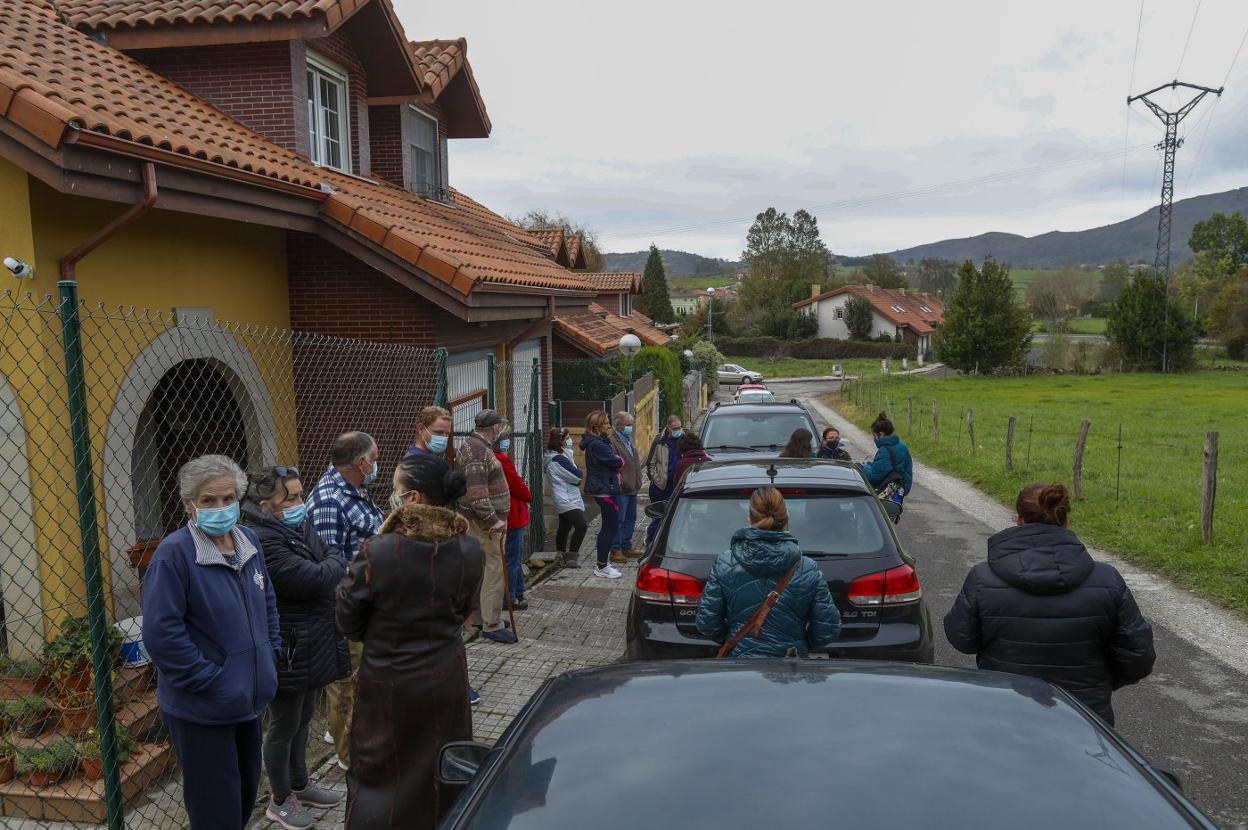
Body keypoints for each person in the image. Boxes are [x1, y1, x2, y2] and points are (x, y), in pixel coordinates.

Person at [337, 455, 484, 830]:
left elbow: (348, 620)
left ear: (414, 498)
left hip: (388, 682)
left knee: (378, 769)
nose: (393, 497)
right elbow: (465, 610)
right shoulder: (470, 550)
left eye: (397, 491)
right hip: (447, 678)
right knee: (443, 764)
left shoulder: (379, 551)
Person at [142, 454, 280, 829]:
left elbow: (266, 600)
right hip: (203, 709)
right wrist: (213, 682)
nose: (220, 507)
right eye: (208, 500)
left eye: (227, 498)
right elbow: (161, 634)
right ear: (190, 505)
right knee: (215, 813)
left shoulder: (248, 540)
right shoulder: (173, 555)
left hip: (247, 701)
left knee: (243, 800)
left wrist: (270, 654)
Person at [943, 483, 1155, 725]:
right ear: (1066, 521)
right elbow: (1138, 654)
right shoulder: (1107, 579)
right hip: (1085, 716)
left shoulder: (982, 578)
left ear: (1018, 519)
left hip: (1005, 710)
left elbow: (962, 639)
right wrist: (1098, 684)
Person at [242, 466, 348, 829]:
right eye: (291, 498)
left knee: (304, 718)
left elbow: (332, 554)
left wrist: (329, 564)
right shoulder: (264, 538)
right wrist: (330, 566)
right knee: (284, 724)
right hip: (289, 644)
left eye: (301, 495)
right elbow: (314, 577)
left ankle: (300, 785)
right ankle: (280, 799)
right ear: (265, 504)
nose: (300, 503)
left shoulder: (297, 527)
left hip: (313, 639)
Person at [306, 431, 385, 770]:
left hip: (369, 604)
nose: (378, 463)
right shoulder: (329, 501)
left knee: (366, 683)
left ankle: (366, 745)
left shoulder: (355, 490)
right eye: (375, 457)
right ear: (361, 462)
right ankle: (350, 759)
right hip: (346, 610)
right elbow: (330, 568)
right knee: (346, 687)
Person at [695, 487, 840, 657]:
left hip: (740, 662)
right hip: (790, 663)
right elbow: (828, 629)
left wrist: (734, 639)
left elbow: (707, 623)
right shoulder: (807, 568)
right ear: (787, 519)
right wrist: (800, 643)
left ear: (749, 520)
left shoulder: (725, 563)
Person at [455, 409, 516, 643]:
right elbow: (477, 495)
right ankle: (492, 623)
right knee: (494, 570)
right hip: (484, 524)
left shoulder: (472, 445)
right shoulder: (478, 451)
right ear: (494, 429)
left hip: (479, 522)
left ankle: (483, 617)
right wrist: (495, 520)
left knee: (483, 570)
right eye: (500, 429)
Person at [580, 410, 624, 580]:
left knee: (609, 526)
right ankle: (602, 566)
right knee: (609, 527)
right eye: (605, 423)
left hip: (607, 488)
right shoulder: (597, 444)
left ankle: (603, 563)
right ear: (596, 426)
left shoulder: (599, 441)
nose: (609, 426)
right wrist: (619, 461)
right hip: (604, 490)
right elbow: (615, 461)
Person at [493, 425, 532, 610]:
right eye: (506, 437)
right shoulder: (501, 460)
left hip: (508, 513)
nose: (508, 440)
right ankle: (513, 596)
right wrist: (528, 495)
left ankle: (514, 594)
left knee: (510, 556)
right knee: (513, 557)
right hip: (513, 514)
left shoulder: (493, 458)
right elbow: (516, 484)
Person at [544, 428, 588, 568]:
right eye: (567, 438)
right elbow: (577, 477)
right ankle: (572, 557)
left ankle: (561, 554)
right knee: (581, 526)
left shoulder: (559, 457)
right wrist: (579, 472)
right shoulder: (558, 460)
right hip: (566, 499)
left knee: (565, 526)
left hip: (565, 497)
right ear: (561, 441)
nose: (570, 441)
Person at [859, 412, 913, 522]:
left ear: (881, 434)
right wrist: (870, 465)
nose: (874, 439)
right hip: (897, 496)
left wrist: (863, 467)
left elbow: (874, 477)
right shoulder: (902, 446)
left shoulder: (884, 451)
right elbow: (900, 470)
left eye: (874, 435)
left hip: (883, 497)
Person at [607, 411, 643, 562]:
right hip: (621, 489)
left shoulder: (628, 439)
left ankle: (626, 545)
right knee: (619, 519)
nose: (631, 428)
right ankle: (615, 549)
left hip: (632, 486)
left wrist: (638, 479)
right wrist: (620, 482)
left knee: (631, 517)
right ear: (619, 425)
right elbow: (613, 465)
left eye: (631, 425)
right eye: (628, 425)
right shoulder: (612, 441)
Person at [644, 416, 684, 545]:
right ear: (668, 428)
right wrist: (655, 479)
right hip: (661, 486)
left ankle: (670, 541)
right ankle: (651, 540)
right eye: (675, 428)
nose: (678, 430)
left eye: (679, 427)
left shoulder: (685, 439)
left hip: (678, 484)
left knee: (677, 515)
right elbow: (650, 463)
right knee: (658, 515)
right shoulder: (659, 441)